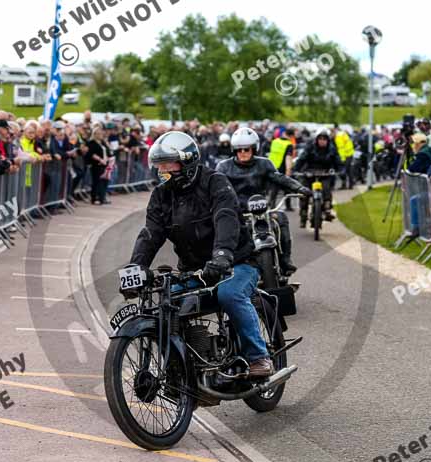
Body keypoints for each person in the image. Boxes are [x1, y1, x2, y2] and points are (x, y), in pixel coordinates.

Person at [125, 131, 275, 378]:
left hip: (235, 262)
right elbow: (150, 234)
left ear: (187, 162)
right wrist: (135, 269)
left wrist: (223, 254)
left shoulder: (214, 181)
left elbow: (225, 217)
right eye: (159, 166)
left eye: (168, 165)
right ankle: (181, 366)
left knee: (230, 294)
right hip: (194, 270)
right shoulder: (161, 195)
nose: (163, 171)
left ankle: (258, 356)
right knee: (163, 302)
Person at [216, 127, 311, 276]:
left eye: (247, 149)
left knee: (280, 217)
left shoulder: (264, 164)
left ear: (254, 149)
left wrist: (299, 188)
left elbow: (279, 178)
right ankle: (221, 266)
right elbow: (216, 188)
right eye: (239, 149)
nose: (243, 153)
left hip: (260, 209)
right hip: (235, 211)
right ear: (234, 150)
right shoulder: (223, 167)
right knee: (218, 228)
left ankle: (285, 260)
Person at [293, 128, 341, 227]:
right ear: (316, 139)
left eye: (325, 139)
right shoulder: (310, 147)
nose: (322, 141)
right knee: (304, 192)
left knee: (327, 187)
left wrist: (342, 170)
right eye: (320, 138)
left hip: (325, 173)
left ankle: (327, 207)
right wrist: (296, 170)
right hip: (309, 172)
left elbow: (338, 161)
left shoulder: (332, 149)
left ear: (328, 140)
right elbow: (302, 159)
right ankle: (303, 214)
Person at [268, 127, 295, 210]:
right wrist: (288, 170)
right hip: (281, 168)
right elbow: (288, 158)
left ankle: (271, 204)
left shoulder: (275, 141)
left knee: (274, 188)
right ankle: (288, 206)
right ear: (291, 136)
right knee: (287, 187)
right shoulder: (288, 144)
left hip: (271, 166)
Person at [86, 126, 112, 205]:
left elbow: (108, 151)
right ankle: (94, 198)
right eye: (99, 133)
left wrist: (107, 159)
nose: (101, 135)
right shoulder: (91, 143)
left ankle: (102, 197)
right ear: (95, 134)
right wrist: (100, 160)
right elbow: (91, 154)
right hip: (97, 164)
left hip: (105, 164)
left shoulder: (103, 143)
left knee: (105, 180)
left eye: (101, 133)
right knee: (97, 181)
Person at [334, 124, 355, 190]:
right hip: (350, 153)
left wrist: (342, 158)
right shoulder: (342, 134)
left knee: (343, 171)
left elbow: (341, 148)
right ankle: (351, 185)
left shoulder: (338, 137)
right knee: (349, 170)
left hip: (346, 155)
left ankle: (345, 185)